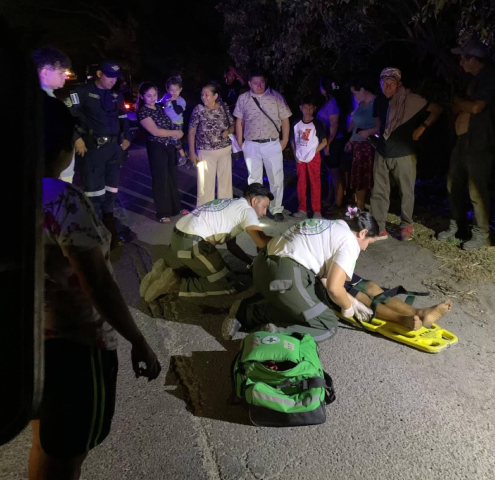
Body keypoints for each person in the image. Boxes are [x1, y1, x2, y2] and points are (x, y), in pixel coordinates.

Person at [31, 133, 162, 480]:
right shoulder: (59, 198)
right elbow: (97, 282)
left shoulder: (1, 190)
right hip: (75, 343)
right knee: (69, 452)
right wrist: (138, 340)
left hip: (31, 336)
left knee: (46, 441)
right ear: (61, 150)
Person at [222, 209, 451, 342]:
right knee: (328, 323)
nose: (365, 248)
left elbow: (325, 278)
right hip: (286, 275)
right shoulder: (349, 242)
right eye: (368, 242)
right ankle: (274, 335)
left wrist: (345, 298)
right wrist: (348, 307)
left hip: (264, 268)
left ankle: (418, 312)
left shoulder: (328, 225)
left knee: (363, 286)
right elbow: (333, 288)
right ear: (362, 233)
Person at [357, 67, 443, 241]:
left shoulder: (412, 100)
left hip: (404, 152)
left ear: (399, 84)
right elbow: (380, 123)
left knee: (406, 191)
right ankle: (379, 228)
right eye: (384, 83)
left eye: (391, 83)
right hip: (382, 151)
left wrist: (422, 127)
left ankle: (406, 225)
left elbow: (437, 109)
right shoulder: (379, 101)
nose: (387, 87)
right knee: (379, 192)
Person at [437, 42, 495, 249]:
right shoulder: (473, 80)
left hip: (480, 141)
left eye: (465, 58)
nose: (461, 62)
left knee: (476, 189)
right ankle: (458, 227)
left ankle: (481, 234)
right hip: (464, 141)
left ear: (475, 59)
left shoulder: (490, 78)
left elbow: (476, 108)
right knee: (453, 184)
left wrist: (459, 102)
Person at [158, 183, 275, 298]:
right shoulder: (248, 210)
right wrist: (281, 241)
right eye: (264, 206)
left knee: (224, 273)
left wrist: (250, 262)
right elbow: (261, 242)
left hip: (178, 238)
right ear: (254, 201)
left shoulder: (233, 203)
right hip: (192, 244)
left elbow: (232, 246)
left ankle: (164, 275)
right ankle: (174, 285)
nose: (265, 212)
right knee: (226, 285)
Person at [68, 60, 132, 244]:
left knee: (111, 191)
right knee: (94, 193)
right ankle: (93, 234)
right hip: (94, 149)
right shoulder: (81, 92)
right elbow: (68, 115)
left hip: (114, 149)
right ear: (99, 74)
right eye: (109, 76)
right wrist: (76, 138)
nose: (113, 80)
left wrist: (127, 137)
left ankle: (110, 230)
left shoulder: (115, 95)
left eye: (115, 78)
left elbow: (123, 118)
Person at [233, 70, 292, 221]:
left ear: (265, 82)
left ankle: (276, 208)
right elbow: (239, 121)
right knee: (254, 179)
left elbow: (285, 119)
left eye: (262, 82)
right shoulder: (243, 98)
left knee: (276, 178)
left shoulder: (276, 97)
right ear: (249, 83)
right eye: (255, 83)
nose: (259, 86)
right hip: (251, 144)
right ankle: (256, 209)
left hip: (272, 143)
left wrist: (284, 140)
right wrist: (240, 141)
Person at [134, 82, 187, 222]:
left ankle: (176, 207)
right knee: (160, 179)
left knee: (172, 177)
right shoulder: (143, 112)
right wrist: (175, 132)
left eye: (155, 95)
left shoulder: (159, 106)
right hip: (156, 147)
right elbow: (155, 131)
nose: (152, 98)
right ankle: (163, 212)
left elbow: (174, 114)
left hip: (169, 144)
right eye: (149, 95)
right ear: (142, 96)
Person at [188, 81, 236, 205]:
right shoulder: (198, 110)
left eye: (207, 94)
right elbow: (191, 132)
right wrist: (192, 153)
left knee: (225, 182)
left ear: (215, 96)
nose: (203, 97)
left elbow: (233, 125)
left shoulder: (223, 107)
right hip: (205, 152)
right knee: (205, 184)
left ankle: (224, 208)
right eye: (202, 94)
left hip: (224, 150)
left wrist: (229, 130)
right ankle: (205, 210)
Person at [33, 46, 77, 181]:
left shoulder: (44, 99)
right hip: (53, 177)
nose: (65, 76)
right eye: (61, 72)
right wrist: (53, 173)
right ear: (45, 72)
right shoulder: (45, 104)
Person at [344, 77, 378, 210]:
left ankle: (372, 209)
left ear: (363, 90)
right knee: (359, 179)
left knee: (369, 178)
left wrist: (369, 132)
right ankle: (360, 208)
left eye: (355, 92)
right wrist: (350, 141)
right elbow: (356, 126)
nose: (354, 96)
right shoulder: (360, 105)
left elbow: (381, 126)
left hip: (369, 147)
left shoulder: (375, 103)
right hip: (358, 146)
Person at [292, 96, 329, 219]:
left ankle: (316, 211)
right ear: (300, 108)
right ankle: (302, 209)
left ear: (314, 109)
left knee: (315, 183)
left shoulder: (317, 123)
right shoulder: (296, 123)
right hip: (300, 158)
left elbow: (324, 141)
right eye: (305, 108)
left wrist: (314, 152)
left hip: (313, 158)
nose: (308, 110)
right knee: (301, 183)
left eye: (310, 108)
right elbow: (292, 140)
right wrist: (295, 153)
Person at [316, 77, 346, 212]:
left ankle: (338, 203)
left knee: (335, 173)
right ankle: (331, 197)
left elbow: (334, 125)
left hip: (333, 143)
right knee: (330, 172)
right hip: (329, 142)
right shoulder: (329, 101)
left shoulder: (332, 103)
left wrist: (328, 144)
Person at [161, 75, 190, 167]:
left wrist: (173, 101)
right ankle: (180, 156)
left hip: (177, 123)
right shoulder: (166, 96)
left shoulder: (181, 101)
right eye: (172, 90)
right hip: (167, 122)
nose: (174, 93)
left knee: (174, 139)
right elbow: (160, 105)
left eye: (176, 90)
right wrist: (163, 104)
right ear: (167, 90)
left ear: (180, 89)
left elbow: (178, 111)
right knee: (167, 140)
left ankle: (183, 155)